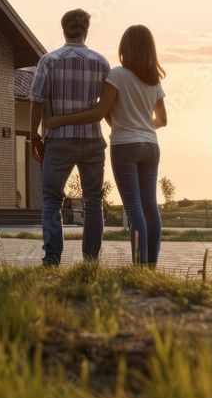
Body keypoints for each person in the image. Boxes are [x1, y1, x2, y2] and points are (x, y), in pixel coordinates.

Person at [46, 25, 167, 268]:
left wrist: (59, 120)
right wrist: (141, 123)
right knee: (150, 205)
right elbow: (162, 120)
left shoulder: (117, 75)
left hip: (125, 146)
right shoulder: (154, 79)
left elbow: (100, 112)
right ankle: (151, 265)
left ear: (126, 47)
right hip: (151, 146)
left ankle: (139, 266)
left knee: (134, 208)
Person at [30, 9, 111, 267]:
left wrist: (34, 136)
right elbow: (107, 107)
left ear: (63, 29)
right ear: (86, 30)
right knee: (93, 200)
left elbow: (36, 101)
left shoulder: (49, 61)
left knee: (52, 199)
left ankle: (52, 258)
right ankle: (91, 260)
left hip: (58, 141)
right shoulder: (101, 62)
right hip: (92, 141)